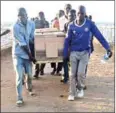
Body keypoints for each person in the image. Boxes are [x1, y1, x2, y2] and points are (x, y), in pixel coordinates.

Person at [63, 5, 112, 101]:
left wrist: (107, 48)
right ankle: (72, 93)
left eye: (82, 13)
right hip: (73, 52)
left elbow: (99, 36)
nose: (80, 15)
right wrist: (65, 54)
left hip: (85, 52)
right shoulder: (71, 25)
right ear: (76, 14)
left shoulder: (89, 24)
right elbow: (67, 41)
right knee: (72, 74)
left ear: (85, 14)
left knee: (80, 73)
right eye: (78, 13)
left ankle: (80, 88)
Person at [12, 7, 36, 106]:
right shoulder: (15, 27)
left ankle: (29, 87)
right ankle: (19, 98)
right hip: (18, 54)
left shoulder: (31, 24)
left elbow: (31, 39)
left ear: (27, 15)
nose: (22, 17)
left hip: (28, 55)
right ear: (18, 16)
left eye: (23, 15)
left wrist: (37, 51)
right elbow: (23, 44)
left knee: (30, 75)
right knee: (19, 76)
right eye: (20, 15)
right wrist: (31, 56)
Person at [61, 9, 76, 83]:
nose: (71, 17)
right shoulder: (66, 24)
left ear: (75, 16)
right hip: (67, 47)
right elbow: (64, 34)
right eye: (70, 16)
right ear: (68, 16)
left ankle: (75, 80)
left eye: (73, 15)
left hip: (75, 48)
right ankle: (66, 77)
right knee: (64, 61)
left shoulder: (78, 25)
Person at [33, 11, 49, 78]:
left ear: (44, 15)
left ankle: (42, 69)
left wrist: (44, 23)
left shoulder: (46, 22)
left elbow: (47, 30)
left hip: (45, 41)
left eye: (42, 15)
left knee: (44, 57)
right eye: (40, 15)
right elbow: (33, 30)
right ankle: (36, 72)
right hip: (37, 41)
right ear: (38, 16)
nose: (41, 17)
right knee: (37, 56)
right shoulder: (35, 22)